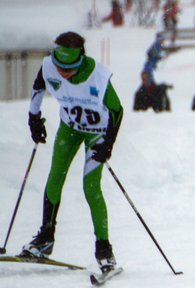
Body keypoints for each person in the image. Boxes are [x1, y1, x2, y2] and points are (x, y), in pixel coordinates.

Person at [19, 31, 123, 275]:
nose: (62, 73)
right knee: (55, 176)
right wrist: (33, 118)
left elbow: (117, 111)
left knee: (91, 187)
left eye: (68, 69)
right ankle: (45, 239)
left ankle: (104, 249)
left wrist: (108, 144)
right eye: (59, 67)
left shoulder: (98, 76)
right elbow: (38, 87)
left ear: (80, 59)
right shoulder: (49, 66)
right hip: (70, 129)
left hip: (97, 133)